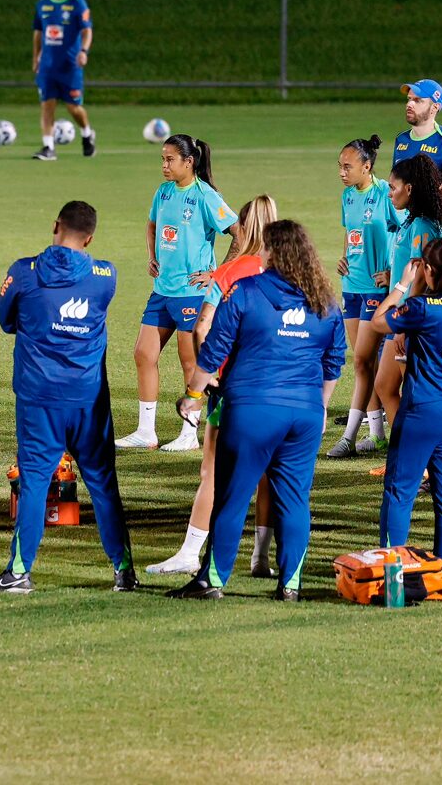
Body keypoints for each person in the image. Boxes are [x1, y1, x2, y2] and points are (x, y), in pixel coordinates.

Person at [172, 220, 345, 601]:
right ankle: (291, 584)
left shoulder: (246, 292)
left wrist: (192, 396)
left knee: (233, 496)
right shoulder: (326, 302)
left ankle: (213, 580)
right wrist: (319, 406)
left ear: (273, 252)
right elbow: (334, 364)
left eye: (265, 248)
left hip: (252, 409)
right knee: (295, 499)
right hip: (304, 415)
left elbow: (215, 350)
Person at [0, 201, 135, 593]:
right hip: (89, 399)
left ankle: (18, 572)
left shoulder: (23, 272)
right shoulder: (105, 277)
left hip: (40, 398)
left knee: (34, 483)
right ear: (90, 238)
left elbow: (8, 319)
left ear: (55, 226)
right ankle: (124, 571)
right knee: (103, 483)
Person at [146, 195, 276, 578]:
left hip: (233, 388)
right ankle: (261, 558)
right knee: (268, 474)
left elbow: (203, 327)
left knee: (213, 473)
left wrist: (206, 379)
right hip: (279, 388)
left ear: (246, 226)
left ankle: (191, 552)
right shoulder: (290, 272)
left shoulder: (230, 271)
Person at [370, 238, 442, 569]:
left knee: (400, 490)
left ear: (429, 269)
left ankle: (392, 573)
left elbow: (380, 321)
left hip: (424, 410)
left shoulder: (422, 306)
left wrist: (402, 284)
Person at [120, 135, 237, 452]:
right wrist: (152, 256)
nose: (164, 165)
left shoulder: (205, 195)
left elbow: (239, 235)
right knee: (143, 355)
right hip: (162, 290)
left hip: (191, 294)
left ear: (189, 162)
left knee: (191, 362)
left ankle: (189, 434)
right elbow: (151, 225)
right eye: (162, 159)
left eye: (170, 159)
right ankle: (146, 432)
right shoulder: (164, 191)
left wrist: (216, 273)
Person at [366, 153, 442, 440]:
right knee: (386, 386)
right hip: (402, 318)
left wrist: (410, 325)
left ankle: (421, 462)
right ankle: (405, 454)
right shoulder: (410, 222)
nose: (389, 193)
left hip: (411, 321)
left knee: (410, 394)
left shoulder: (423, 226)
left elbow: (425, 278)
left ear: (410, 189)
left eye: (393, 187)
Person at [328, 135, 393, 459]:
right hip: (351, 285)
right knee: (364, 363)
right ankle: (378, 434)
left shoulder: (385, 194)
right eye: (340, 166)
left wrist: (393, 271)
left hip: (375, 290)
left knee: (362, 360)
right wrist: (345, 257)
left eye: (348, 167)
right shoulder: (347, 197)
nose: (342, 172)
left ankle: (350, 436)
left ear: (367, 167)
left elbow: (402, 230)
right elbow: (351, 233)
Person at [30, 0, 97, 161]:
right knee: (47, 105)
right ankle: (48, 147)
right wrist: (36, 58)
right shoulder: (42, 5)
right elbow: (37, 33)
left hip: (70, 65)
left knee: (73, 107)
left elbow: (87, 31)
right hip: (48, 67)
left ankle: (86, 133)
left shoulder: (78, 4)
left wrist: (83, 51)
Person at [392, 78, 442, 169]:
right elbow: (395, 181)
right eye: (409, 99)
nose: (409, 104)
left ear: (434, 107)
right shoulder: (401, 139)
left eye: (417, 100)